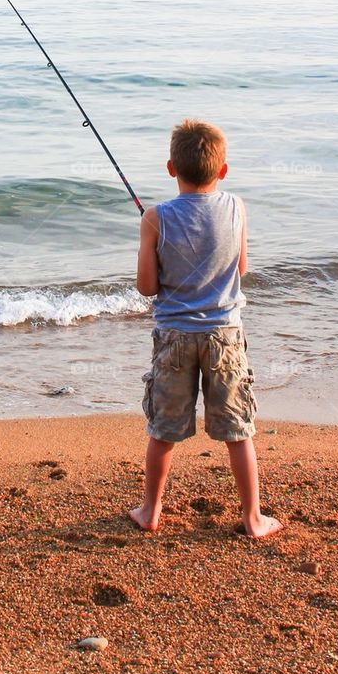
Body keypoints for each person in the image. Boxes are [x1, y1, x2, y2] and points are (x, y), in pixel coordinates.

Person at [128, 119, 285, 541]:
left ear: (170, 168)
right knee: (238, 430)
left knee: (164, 430)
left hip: (175, 339)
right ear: (223, 170)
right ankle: (253, 517)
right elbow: (242, 268)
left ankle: (150, 509)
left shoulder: (156, 217)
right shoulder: (236, 208)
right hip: (225, 337)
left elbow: (147, 287)